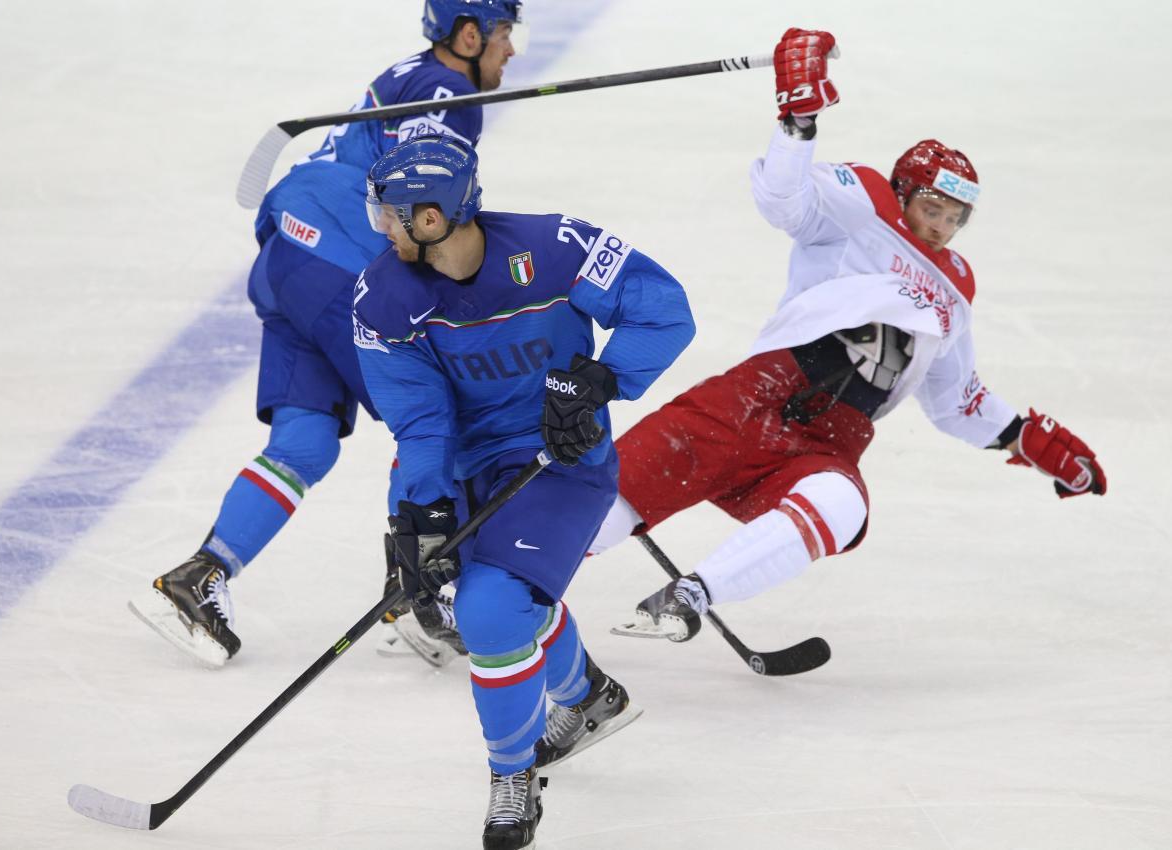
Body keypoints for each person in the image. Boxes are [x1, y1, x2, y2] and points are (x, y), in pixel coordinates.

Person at [592, 27, 1107, 643]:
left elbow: (956, 401)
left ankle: (690, 596)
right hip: (760, 394)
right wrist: (798, 121)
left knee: (844, 505)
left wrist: (1031, 442)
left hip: (830, 439)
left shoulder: (956, 290)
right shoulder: (863, 202)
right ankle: (487, 588)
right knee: (608, 500)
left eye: (954, 218)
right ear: (904, 193)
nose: (941, 227)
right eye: (932, 209)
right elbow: (783, 198)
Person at [128, 0, 522, 668]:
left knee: (304, 444)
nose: (512, 51)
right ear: (469, 34)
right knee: (434, 411)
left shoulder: (415, 73)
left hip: (290, 253)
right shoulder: (449, 91)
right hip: (339, 251)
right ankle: (423, 594)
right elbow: (418, 200)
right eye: (506, 34)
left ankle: (203, 576)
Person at [354, 134, 694, 849]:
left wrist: (602, 379)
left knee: (490, 610)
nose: (381, 226)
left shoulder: (558, 247)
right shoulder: (381, 296)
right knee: (462, 604)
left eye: (392, 214)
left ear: (432, 216)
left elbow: (662, 307)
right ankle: (588, 695)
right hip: (461, 461)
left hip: (559, 461)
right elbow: (419, 418)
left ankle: (513, 776)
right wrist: (425, 505)